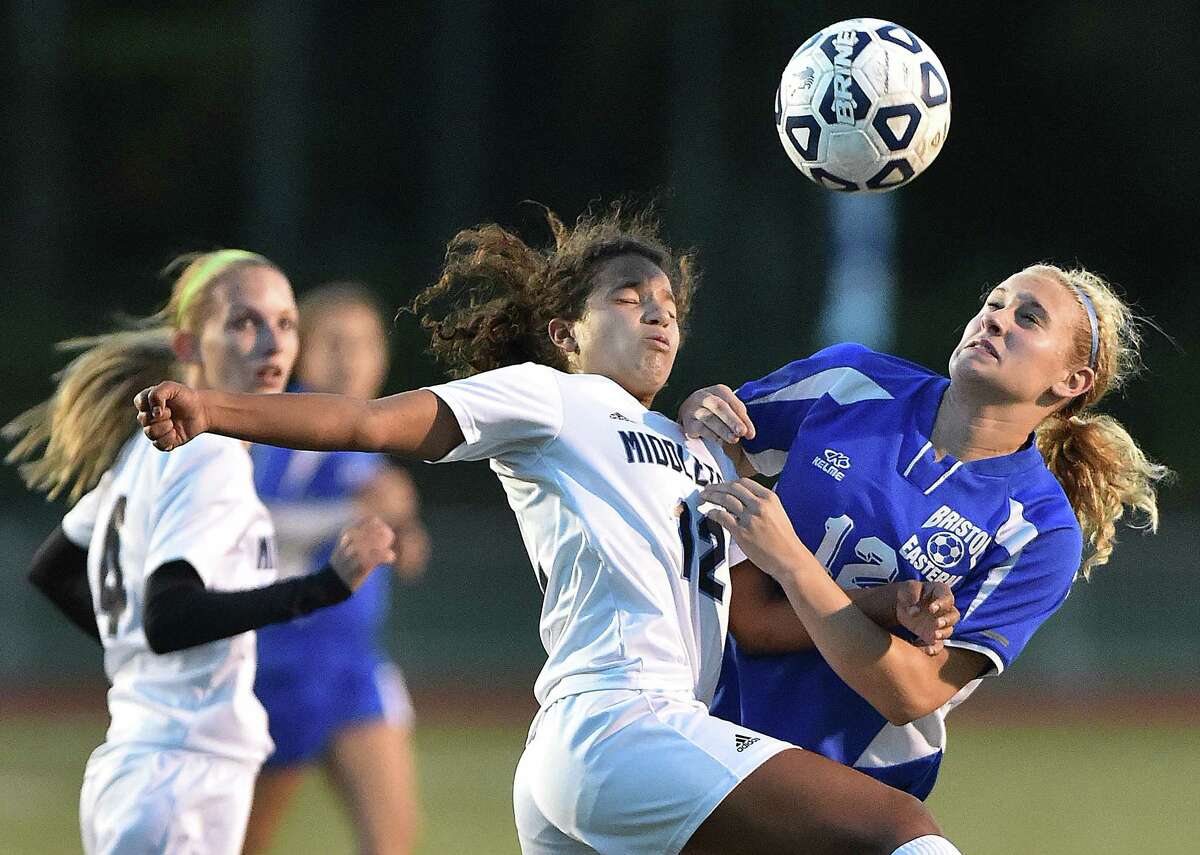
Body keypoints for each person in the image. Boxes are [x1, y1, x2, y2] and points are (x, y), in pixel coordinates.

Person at [135, 207, 966, 855]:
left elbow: (753, 616)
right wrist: (212, 409)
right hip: (622, 724)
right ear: (566, 334)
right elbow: (369, 421)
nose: (658, 315)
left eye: (669, 304)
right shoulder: (551, 397)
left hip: (597, 757)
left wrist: (889, 600)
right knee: (898, 827)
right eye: (629, 299)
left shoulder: (701, 451)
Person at [680, 263, 1169, 799]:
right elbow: (709, 459)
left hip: (852, 777)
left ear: (1072, 382)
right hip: (709, 721)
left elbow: (910, 691)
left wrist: (793, 563)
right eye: (994, 304)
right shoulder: (852, 379)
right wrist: (699, 417)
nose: (996, 321)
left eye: (1027, 318)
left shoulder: (1041, 531)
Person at [4, 250, 395, 855]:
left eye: (285, 323)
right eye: (244, 322)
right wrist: (327, 585)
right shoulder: (208, 454)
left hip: (143, 765)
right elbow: (170, 617)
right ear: (190, 346)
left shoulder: (148, 450)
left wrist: (138, 652)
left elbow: (52, 569)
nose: (272, 342)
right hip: (183, 777)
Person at [242, 283, 429, 855]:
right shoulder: (271, 426)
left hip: (351, 667)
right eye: (334, 341)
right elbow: (251, 532)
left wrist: (403, 535)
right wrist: (354, 512)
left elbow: (404, 546)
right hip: (273, 669)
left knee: (392, 844)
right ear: (299, 350)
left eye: (365, 342)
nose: (351, 358)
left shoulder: (368, 438)